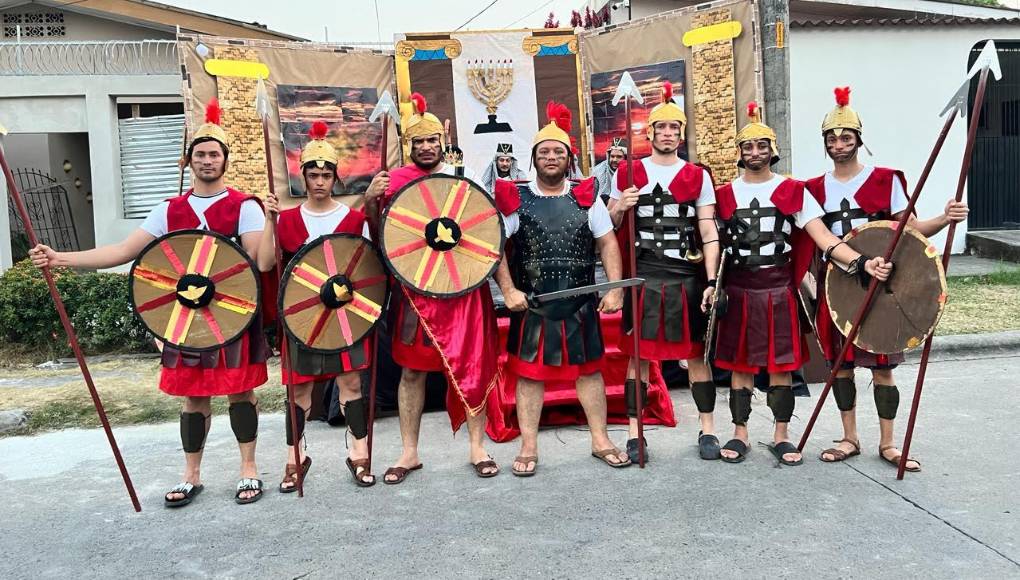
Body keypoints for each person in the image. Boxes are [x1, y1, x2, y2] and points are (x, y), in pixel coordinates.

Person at [29, 99, 269, 505]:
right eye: (200, 154)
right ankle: (191, 475)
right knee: (193, 397)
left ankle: (249, 470)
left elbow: (258, 262)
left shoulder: (243, 207)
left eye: (214, 154)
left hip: (230, 317)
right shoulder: (168, 210)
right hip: (184, 319)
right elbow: (124, 251)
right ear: (187, 161)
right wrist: (61, 258)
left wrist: (272, 222)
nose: (207, 160)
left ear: (225, 160)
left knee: (240, 392)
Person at [709, 102, 892, 466]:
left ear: (772, 151)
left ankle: (781, 435)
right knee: (740, 366)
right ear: (740, 154)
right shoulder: (723, 194)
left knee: (780, 365)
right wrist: (711, 285)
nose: (755, 152)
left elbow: (821, 235)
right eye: (748, 146)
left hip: (777, 289)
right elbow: (711, 241)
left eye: (762, 145)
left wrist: (858, 261)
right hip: (739, 288)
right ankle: (739, 432)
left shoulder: (792, 190)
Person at [805, 87, 968, 471]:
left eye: (846, 136)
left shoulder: (886, 180)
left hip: (881, 286)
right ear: (825, 143)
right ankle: (849, 437)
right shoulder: (812, 189)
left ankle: (889, 442)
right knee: (840, 365)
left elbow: (910, 232)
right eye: (832, 137)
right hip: (838, 285)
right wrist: (860, 262)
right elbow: (823, 239)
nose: (839, 143)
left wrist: (946, 218)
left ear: (859, 140)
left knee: (882, 367)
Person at [363, 92, 500, 483]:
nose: (426, 147)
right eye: (418, 142)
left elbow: (484, 229)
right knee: (411, 373)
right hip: (415, 292)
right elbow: (380, 235)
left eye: (431, 141)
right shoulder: (393, 182)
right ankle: (409, 452)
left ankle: (477, 447)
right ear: (409, 145)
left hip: (463, 290)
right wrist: (370, 201)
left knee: (472, 367)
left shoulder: (462, 176)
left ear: (441, 141)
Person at [494, 100, 631, 476]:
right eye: (544, 152)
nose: (551, 157)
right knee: (528, 374)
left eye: (558, 151)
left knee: (589, 372)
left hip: (580, 301)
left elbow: (607, 243)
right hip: (533, 303)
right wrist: (508, 292)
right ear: (534, 158)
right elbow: (495, 250)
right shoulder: (514, 200)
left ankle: (601, 439)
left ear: (568, 158)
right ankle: (529, 445)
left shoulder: (588, 197)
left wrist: (615, 289)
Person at [256, 121, 377, 489]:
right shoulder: (288, 220)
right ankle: (295, 458)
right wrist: (269, 219)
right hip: (303, 318)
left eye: (326, 174)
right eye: (313, 174)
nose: (320, 180)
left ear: (335, 178)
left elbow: (370, 271)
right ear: (303, 177)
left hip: (344, 317)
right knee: (300, 390)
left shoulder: (354, 220)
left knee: (351, 383)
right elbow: (263, 263)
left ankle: (359, 454)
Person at [608, 81, 722, 462]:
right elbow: (607, 225)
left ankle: (707, 429)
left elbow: (707, 229)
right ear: (651, 132)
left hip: (685, 276)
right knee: (638, 357)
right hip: (645, 275)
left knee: (696, 355)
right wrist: (621, 205)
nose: (668, 134)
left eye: (675, 128)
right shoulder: (627, 172)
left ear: (681, 134)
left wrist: (711, 280)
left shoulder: (698, 176)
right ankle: (635, 434)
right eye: (662, 128)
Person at [592, 137, 627, 202]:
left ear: (626, 158)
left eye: (619, 157)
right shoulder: (599, 171)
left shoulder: (631, 170)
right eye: (612, 156)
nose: (614, 160)